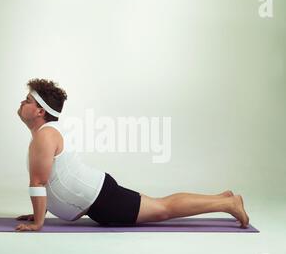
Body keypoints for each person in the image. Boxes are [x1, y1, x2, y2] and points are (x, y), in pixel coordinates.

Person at [16, 78, 250, 231]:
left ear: (39, 111)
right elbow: (53, 179)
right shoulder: (44, 135)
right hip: (98, 197)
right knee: (161, 206)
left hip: (101, 198)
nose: (21, 102)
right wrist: (39, 212)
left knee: (163, 209)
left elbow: (39, 181)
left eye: (27, 100)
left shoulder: (45, 136)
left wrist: (38, 223)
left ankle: (228, 203)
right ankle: (222, 198)